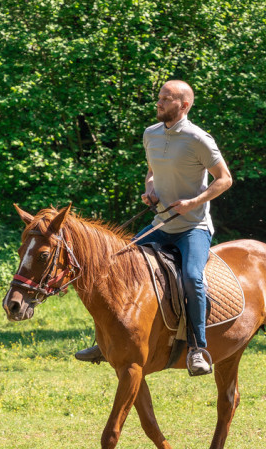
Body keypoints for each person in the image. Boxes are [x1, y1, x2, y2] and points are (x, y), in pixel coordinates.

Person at [76, 79, 233, 375]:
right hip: (160, 224)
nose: (158, 102)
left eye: (166, 98)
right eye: (159, 96)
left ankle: (198, 349)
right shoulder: (151, 134)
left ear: (183, 105)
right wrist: (151, 191)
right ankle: (102, 341)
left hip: (193, 228)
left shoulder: (199, 139)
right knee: (112, 265)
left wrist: (194, 201)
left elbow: (225, 179)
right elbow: (151, 172)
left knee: (191, 278)